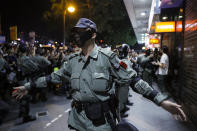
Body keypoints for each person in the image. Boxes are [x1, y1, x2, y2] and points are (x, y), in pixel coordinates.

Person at [13, 18, 186, 131]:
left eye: (81, 31)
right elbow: (53, 77)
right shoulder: (72, 60)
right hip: (77, 122)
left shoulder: (107, 58)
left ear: (93, 34)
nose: (76, 34)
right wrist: (28, 86)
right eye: (75, 31)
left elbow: (133, 79)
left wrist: (161, 101)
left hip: (101, 124)